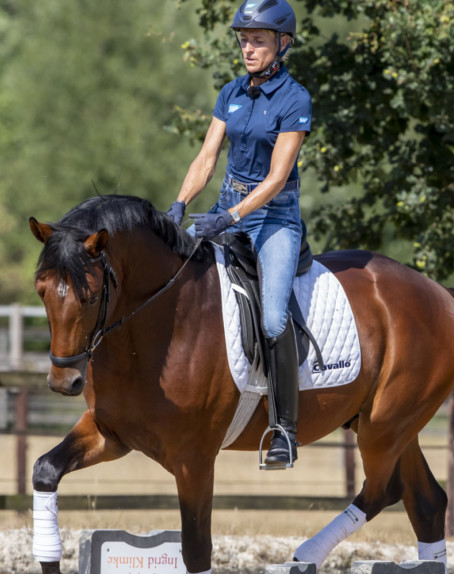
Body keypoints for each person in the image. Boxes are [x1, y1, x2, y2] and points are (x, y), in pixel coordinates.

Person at [166, 0, 311, 469]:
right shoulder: (230, 91)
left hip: (274, 219)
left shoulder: (295, 100)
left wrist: (229, 218)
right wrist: (180, 206)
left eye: (259, 40)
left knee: (271, 318)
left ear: (282, 44)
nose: (248, 48)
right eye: (244, 40)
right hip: (225, 207)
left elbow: (275, 179)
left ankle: (285, 432)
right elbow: (207, 159)